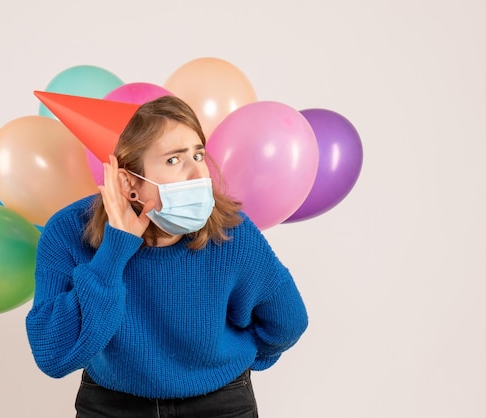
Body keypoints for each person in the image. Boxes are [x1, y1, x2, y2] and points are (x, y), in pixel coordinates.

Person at [25, 95, 308, 417]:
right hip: (112, 405)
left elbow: (288, 323)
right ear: (129, 182)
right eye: (174, 160)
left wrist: (228, 362)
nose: (197, 174)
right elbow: (53, 354)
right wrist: (115, 249)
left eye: (198, 155)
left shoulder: (234, 231)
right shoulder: (67, 231)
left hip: (220, 404)